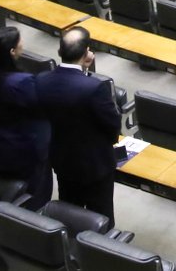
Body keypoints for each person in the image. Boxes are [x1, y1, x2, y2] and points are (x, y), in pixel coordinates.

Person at [33, 27, 122, 218]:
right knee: (101, 217)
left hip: (62, 159)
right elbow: (113, 123)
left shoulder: (41, 80)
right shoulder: (94, 87)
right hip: (95, 165)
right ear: (86, 53)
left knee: (69, 213)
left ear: (60, 52)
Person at [0, 26, 52, 207]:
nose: (23, 44)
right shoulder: (21, 82)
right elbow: (43, 107)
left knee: (11, 192)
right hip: (25, 149)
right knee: (35, 196)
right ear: (12, 51)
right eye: (19, 41)